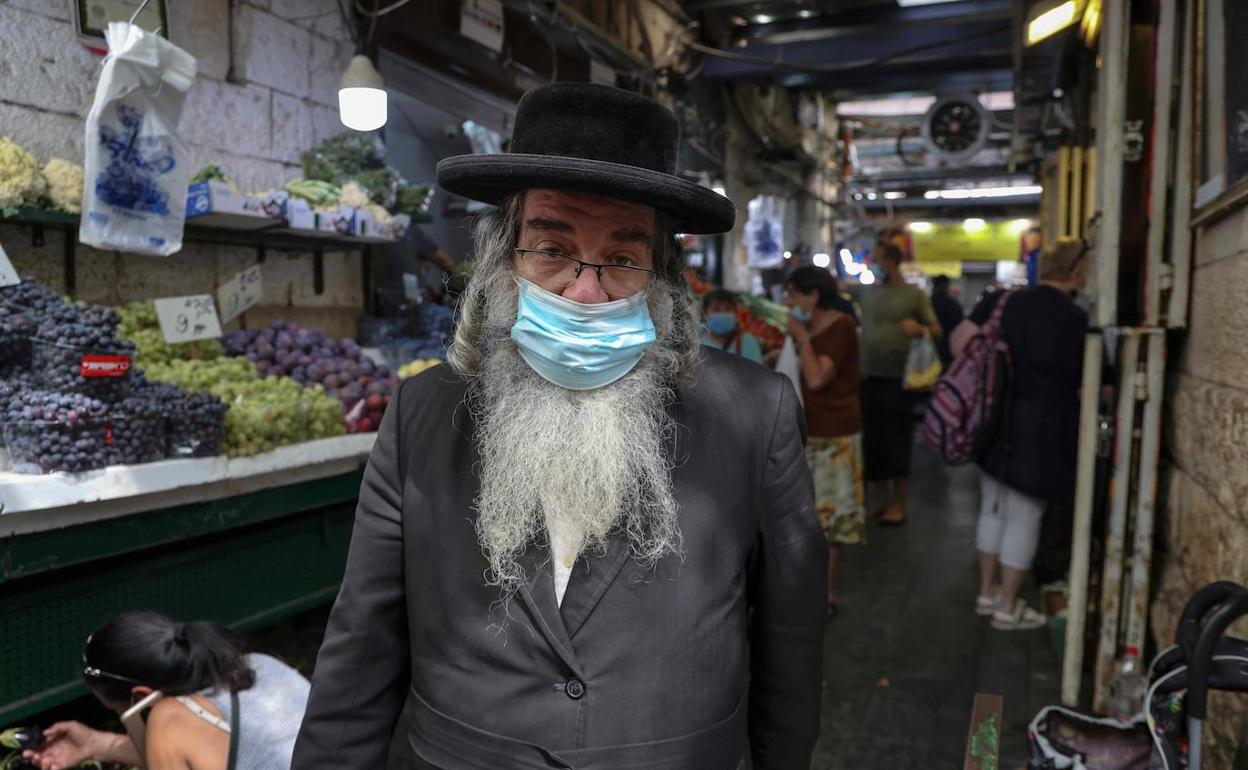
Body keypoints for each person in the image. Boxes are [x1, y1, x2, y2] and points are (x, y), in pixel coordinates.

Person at [292, 83, 825, 769]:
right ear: (502, 259)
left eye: (624, 259)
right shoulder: (422, 413)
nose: (584, 291)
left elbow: (792, 643)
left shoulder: (756, 411)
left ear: (661, 276)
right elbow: (362, 646)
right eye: (551, 247)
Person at [956, 239, 1089, 631]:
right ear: (1077, 272)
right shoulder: (1076, 319)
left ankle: (986, 592)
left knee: (992, 507)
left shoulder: (1006, 302)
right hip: (1044, 426)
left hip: (997, 417)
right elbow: (1091, 378)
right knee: (1025, 516)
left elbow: (960, 343)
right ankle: (1007, 606)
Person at [22, 612, 310, 770]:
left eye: (115, 709)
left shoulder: (168, 719)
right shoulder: (259, 664)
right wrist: (97, 744)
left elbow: (173, 745)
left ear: (140, 696)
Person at [785, 266, 864, 621]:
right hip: (809, 431)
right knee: (806, 517)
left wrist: (800, 338)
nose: (790, 302)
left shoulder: (840, 327)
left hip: (836, 435)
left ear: (813, 295)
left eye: (794, 294)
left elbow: (817, 378)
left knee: (829, 522)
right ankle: (803, 589)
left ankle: (825, 595)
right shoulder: (816, 326)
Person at [856, 242, 941, 525]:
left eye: (877, 259)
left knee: (897, 443)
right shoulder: (869, 293)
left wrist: (920, 330)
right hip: (869, 377)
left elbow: (936, 330)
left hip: (899, 380)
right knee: (873, 443)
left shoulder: (914, 295)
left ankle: (899, 503)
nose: (874, 264)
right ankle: (878, 500)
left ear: (892, 261)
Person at [700, 288, 764, 363]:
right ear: (704, 314)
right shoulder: (699, 343)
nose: (723, 314)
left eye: (728, 309)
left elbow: (755, 372)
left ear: (735, 311)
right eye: (716, 309)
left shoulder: (746, 341)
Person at [929, 275, 964, 367]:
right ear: (947, 286)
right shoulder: (955, 305)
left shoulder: (928, 304)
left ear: (934, 285)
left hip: (930, 350)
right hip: (950, 350)